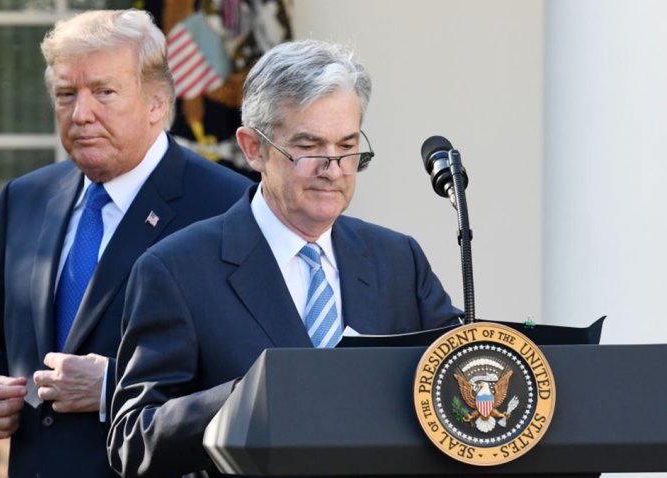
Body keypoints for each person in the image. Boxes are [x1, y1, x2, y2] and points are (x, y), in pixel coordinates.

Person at [107, 39, 462, 477]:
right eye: (309, 146)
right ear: (253, 148)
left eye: (347, 146)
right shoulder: (176, 270)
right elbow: (133, 441)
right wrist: (250, 397)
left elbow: (456, 378)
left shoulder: (397, 260)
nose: (332, 169)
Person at [0, 9, 251, 477]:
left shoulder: (228, 205)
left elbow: (246, 381)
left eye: (104, 93)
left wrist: (114, 386)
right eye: (66, 95)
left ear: (157, 102)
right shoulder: (25, 199)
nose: (81, 113)